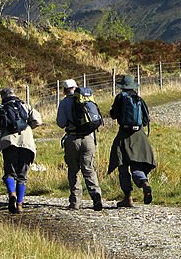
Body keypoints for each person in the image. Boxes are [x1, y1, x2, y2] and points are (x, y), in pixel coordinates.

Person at [0, 87, 43, 214]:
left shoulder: (1, 109)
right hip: (26, 142)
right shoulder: (25, 106)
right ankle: (19, 204)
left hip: (9, 143)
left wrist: (4, 127)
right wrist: (27, 126)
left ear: (2, 97)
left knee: (9, 172)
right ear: (14, 94)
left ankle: (12, 193)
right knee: (22, 176)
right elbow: (38, 120)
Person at [108, 74, 157, 207]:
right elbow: (146, 121)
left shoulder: (120, 98)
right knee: (137, 166)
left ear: (122, 87)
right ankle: (144, 182)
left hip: (124, 135)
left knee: (123, 166)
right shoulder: (139, 99)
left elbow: (113, 115)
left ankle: (128, 197)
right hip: (139, 136)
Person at [56, 78, 104, 210]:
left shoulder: (64, 102)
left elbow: (60, 123)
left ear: (64, 91)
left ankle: (75, 202)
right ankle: (96, 197)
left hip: (72, 139)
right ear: (76, 88)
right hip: (89, 138)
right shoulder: (87, 99)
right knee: (89, 169)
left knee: (74, 170)